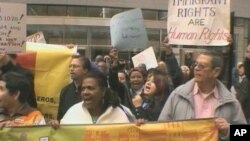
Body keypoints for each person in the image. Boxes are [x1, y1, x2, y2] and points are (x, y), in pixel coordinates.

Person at [158, 51, 247, 140]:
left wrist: (228, 130)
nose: (196, 68)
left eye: (202, 66)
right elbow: (160, 128)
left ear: (216, 72)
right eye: (196, 64)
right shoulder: (178, 95)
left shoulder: (230, 102)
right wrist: (144, 127)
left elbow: (244, 134)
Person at [50, 72, 135, 126]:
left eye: (90, 88)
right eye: (83, 89)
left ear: (103, 91)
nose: (85, 92)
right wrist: (56, 128)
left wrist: (140, 126)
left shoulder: (119, 114)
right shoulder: (72, 112)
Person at [57, 55, 91, 121]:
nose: (71, 69)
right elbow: (60, 117)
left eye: (75, 66)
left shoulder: (92, 90)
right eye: (70, 66)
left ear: (85, 70)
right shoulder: (65, 91)